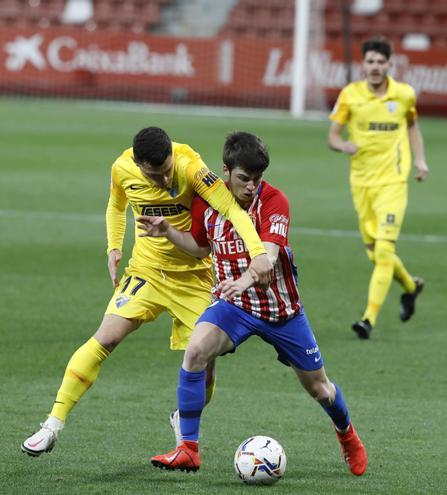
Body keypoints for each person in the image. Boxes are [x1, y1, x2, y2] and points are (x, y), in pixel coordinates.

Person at [21, 127, 274, 456]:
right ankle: (52, 425)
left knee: (204, 363)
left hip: (195, 277)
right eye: (155, 175)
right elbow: (116, 206)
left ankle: (183, 416)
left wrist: (258, 254)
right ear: (139, 164)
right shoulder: (121, 168)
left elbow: (233, 211)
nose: (163, 180)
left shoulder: (191, 167)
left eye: (167, 170)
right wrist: (113, 247)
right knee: (106, 337)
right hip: (147, 272)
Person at [142, 131, 367, 476]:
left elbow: (268, 260)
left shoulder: (275, 202)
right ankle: (187, 449)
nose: (250, 186)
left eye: (256, 179)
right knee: (195, 351)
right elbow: (202, 248)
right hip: (235, 307)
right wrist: (168, 231)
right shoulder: (207, 202)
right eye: (244, 178)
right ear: (226, 171)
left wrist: (241, 282)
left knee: (320, 388)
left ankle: (347, 435)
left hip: (281, 312)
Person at [327, 36, 430, 340]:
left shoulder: (404, 95)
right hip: (361, 183)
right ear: (363, 64)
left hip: (394, 181)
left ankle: (368, 319)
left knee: (384, 250)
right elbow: (332, 135)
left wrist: (420, 161)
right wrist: (343, 145)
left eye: (380, 62)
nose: (375, 67)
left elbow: (412, 126)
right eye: (370, 61)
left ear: (389, 64)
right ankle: (411, 287)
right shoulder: (350, 95)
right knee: (375, 255)